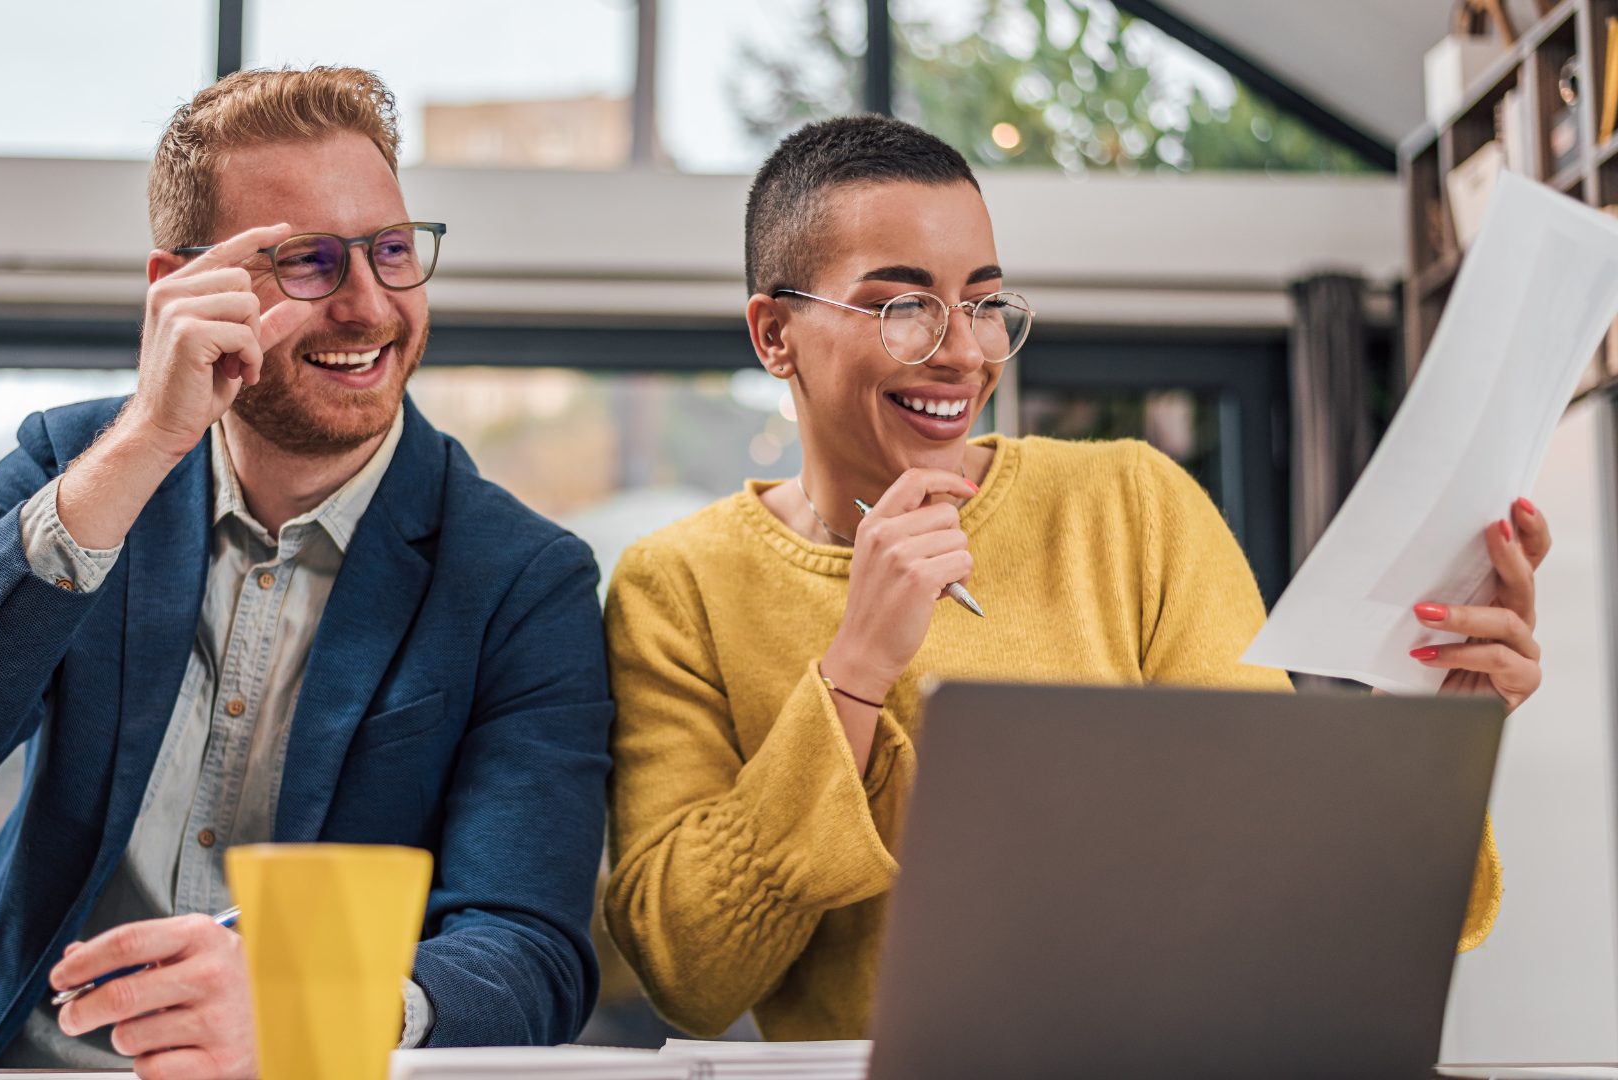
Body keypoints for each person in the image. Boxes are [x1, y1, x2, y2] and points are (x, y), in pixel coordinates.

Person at [600, 115, 1547, 1042]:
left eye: (983, 302)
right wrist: (854, 672)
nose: (963, 353)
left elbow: (1282, 879)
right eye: (902, 307)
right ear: (775, 334)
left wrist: (1431, 737)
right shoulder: (676, 586)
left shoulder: (1132, 505)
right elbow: (689, 976)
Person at [0, 68, 613, 1077]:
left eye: (390, 250)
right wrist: (146, 443)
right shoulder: (73, 466)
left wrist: (309, 1007)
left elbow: (531, 954)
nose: (369, 306)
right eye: (308, 262)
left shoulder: (523, 580)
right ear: (181, 286)